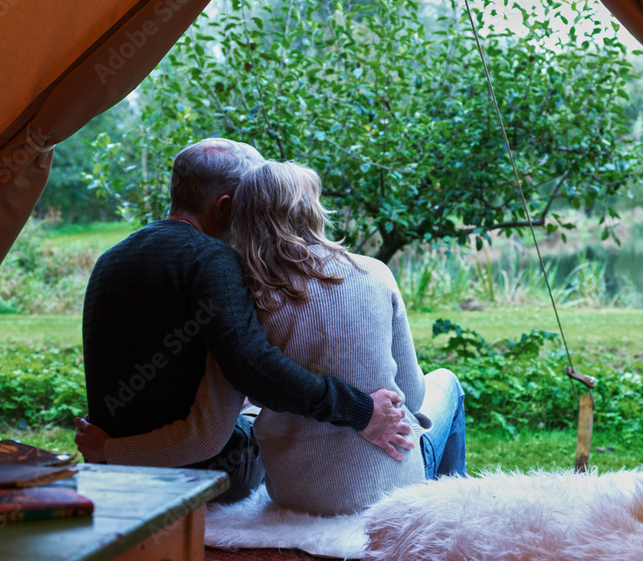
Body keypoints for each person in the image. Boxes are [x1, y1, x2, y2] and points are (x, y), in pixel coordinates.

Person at [84, 159, 466, 515]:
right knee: (446, 383)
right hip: (386, 489)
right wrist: (367, 409)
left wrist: (109, 448)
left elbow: (217, 417)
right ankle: (447, 512)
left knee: (253, 410)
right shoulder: (376, 273)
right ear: (314, 209)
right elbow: (411, 398)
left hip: (293, 494)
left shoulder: (247, 296)